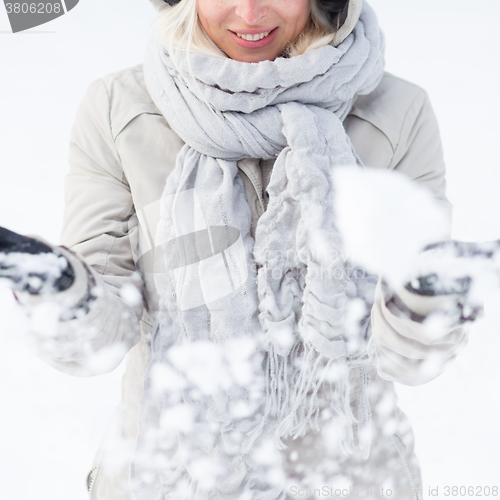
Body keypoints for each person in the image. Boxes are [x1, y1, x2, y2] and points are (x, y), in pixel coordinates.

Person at [0, 0, 480, 499]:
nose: (250, 13)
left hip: (346, 478)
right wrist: (59, 289)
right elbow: (96, 340)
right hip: (171, 479)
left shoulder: (396, 112)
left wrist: (425, 300)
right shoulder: (119, 108)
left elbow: (406, 357)